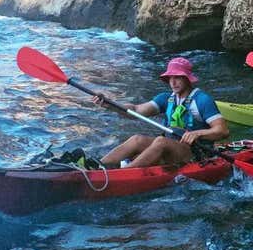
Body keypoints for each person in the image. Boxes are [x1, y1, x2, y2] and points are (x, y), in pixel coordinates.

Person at [88, 56, 228, 168]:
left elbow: (222, 131)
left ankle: (124, 174)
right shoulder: (166, 99)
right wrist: (109, 104)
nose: (173, 82)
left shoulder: (202, 100)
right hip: (172, 146)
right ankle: (97, 167)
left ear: (187, 78)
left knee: (161, 141)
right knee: (137, 139)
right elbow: (135, 110)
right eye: (170, 78)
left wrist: (197, 133)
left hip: (196, 152)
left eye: (177, 77)